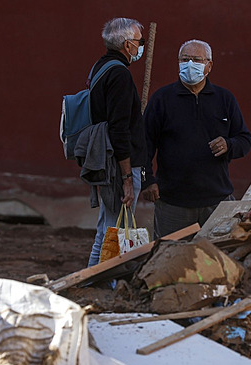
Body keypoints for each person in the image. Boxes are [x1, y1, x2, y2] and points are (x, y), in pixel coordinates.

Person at [142, 39, 251, 238]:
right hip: (173, 202)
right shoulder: (162, 99)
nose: (190, 64)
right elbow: (144, 143)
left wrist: (229, 144)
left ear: (209, 65)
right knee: (171, 259)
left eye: (196, 60)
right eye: (185, 59)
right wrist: (147, 180)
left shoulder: (224, 99)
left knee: (218, 258)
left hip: (217, 199)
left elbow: (244, 140)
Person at [86, 17, 149, 266]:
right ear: (127, 44)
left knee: (108, 226)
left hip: (106, 159)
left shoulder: (100, 68)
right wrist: (126, 178)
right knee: (113, 230)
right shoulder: (120, 75)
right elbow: (119, 129)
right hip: (118, 164)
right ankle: (96, 279)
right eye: (139, 41)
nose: (141, 46)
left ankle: (93, 279)